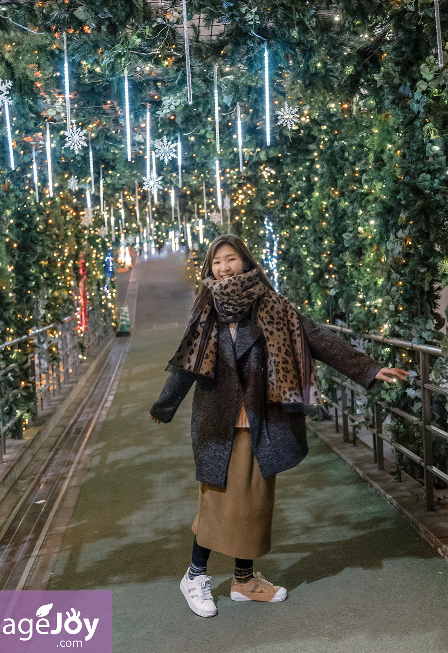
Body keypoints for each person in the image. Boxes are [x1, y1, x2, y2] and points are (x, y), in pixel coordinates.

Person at [149, 234, 409, 618]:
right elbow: (186, 363)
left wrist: (369, 369)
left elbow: (318, 339)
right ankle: (196, 575)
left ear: (245, 261)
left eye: (231, 258)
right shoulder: (206, 311)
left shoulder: (273, 306)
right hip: (218, 424)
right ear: (210, 267)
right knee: (217, 503)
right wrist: (165, 405)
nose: (224, 266)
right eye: (217, 261)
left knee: (254, 502)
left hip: (260, 420)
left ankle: (243, 579)